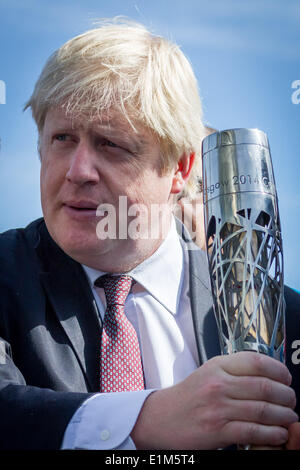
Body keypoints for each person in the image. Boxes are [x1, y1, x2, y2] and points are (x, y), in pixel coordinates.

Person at [0, 18, 300, 451]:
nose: (77, 171)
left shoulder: (281, 318)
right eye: (62, 138)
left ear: (179, 169)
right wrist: (144, 418)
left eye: (111, 144)